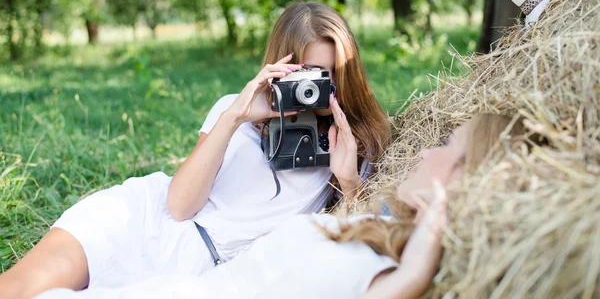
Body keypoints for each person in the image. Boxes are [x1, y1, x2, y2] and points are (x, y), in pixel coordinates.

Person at [0, 2, 390, 299]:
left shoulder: (354, 142)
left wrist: (349, 181)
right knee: (16, 290)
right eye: (305, 75)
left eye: (328, 76)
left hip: (207, 271)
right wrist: (236, 116)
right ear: (280, 66)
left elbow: (349, 244)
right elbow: (180, 207)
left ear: (347, 73)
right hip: (142, 222)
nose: (315, 91)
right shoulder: (233, 110)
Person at [35, 113, 528, 299]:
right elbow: (180, 205)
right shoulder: (379, 229)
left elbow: (399, 285)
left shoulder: (401, 264)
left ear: (466, 178)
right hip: (166, 262)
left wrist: (432, 221)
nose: (425, 151)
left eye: (447, 146)